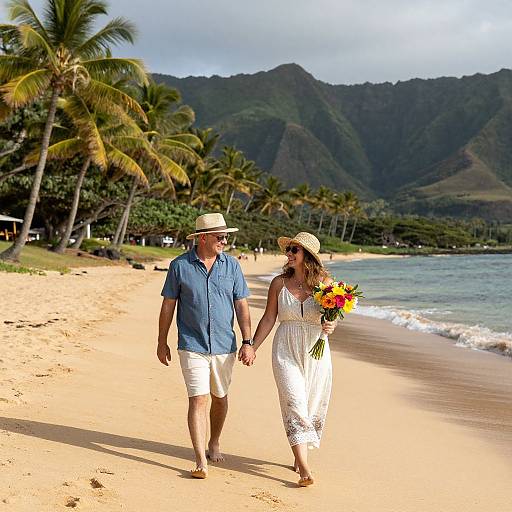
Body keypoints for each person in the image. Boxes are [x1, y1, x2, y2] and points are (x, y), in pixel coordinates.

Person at [157, 213, 255, 479]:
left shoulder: (232, 266)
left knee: (219, 398)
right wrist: (161, 340)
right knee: (198, 399)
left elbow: (242, 305)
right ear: (202, 238)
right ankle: (201, 459)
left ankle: (214, 441)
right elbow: (168, 305)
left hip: (225, 345)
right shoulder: (179, 266)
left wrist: (248, 342)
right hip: (191, 343)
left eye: (226, 236)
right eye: (219, 236)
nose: (224, 241)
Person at [244, 232, 336, 487]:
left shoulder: (326, 284)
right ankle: (304, 468)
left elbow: (334, 316)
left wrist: (331, 325)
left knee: (312, 403)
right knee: (294, 401)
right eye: (289, 249)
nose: (289, 253)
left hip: (316, 349)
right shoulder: (278, 283)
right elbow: (269, 318)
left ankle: (300, 453)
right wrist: (252, 346)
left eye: (295, 250)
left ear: (307, 256)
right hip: (285, 347)